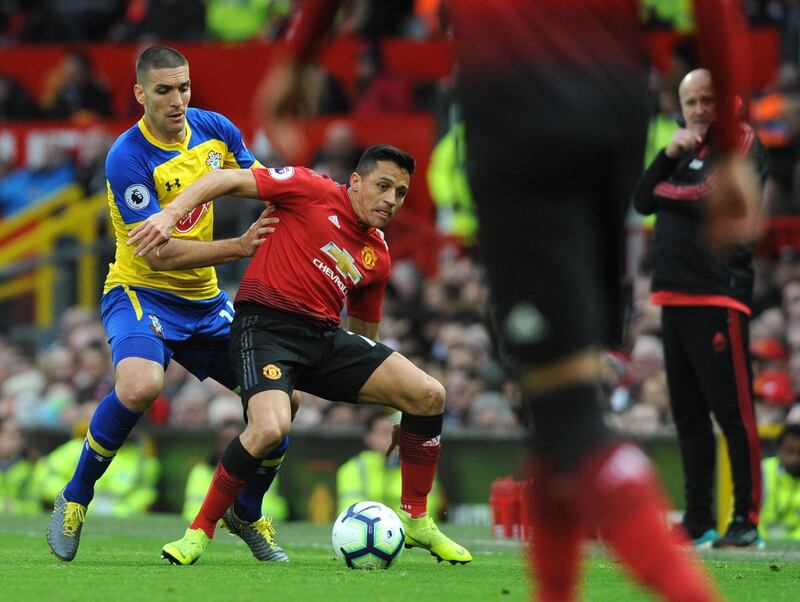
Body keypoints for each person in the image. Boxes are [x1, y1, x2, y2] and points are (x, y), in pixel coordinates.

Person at [253, 1, 762, 600]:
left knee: (569, 414)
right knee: (556, 405)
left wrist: (298, 53)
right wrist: (728, 144)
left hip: (518, 104)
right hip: (616, 107)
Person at [128, 144, 472, 566]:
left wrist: (395, 412)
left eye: (400, 193)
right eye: (383, 186)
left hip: (323, 339)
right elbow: (225, 178)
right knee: (270, 428)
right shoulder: (310, 188)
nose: (390, 200)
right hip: (264, 328)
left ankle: (417, 520)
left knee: (429, 394)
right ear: (357, 182)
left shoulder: (377, 256)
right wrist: (168, 215)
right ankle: (199, 531)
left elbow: (366, 340)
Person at [45, 45, 295, 563]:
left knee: (282, 403)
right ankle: (74, 498)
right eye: (164, 90)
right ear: (140, 93)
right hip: (140, 292)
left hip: (205, 302)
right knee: (141, 384)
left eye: (183, 87)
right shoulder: (127, 157)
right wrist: (238, 247)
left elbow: (260, 183)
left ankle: (245, 511)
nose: (177, 99)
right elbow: (157, 257)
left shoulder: (216, 130)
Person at [633, 68, 768, 550]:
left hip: (718, 294)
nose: (698, 111)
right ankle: (698, 519)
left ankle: (745, 521)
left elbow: (705, 196)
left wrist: (668, 185)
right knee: (689, 416)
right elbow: (642, 199)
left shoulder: (743, 142)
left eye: (708, 100)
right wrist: (668, 153)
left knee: (734, 414)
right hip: (673, 295)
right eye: (691, 102)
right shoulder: (684, 149)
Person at [336, 411, 441, 517]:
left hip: (410, 531)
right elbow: (349, 510)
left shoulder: (420, 467)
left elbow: (426, 510)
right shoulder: (353, 469)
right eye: (385, 432)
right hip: (368, 530)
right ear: (368, 437)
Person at [760, 423, 800, 541]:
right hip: (759, 541)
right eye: (790, 451)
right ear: (779, 448)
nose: (795, 458)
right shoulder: (762, 471)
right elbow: (741, 514)